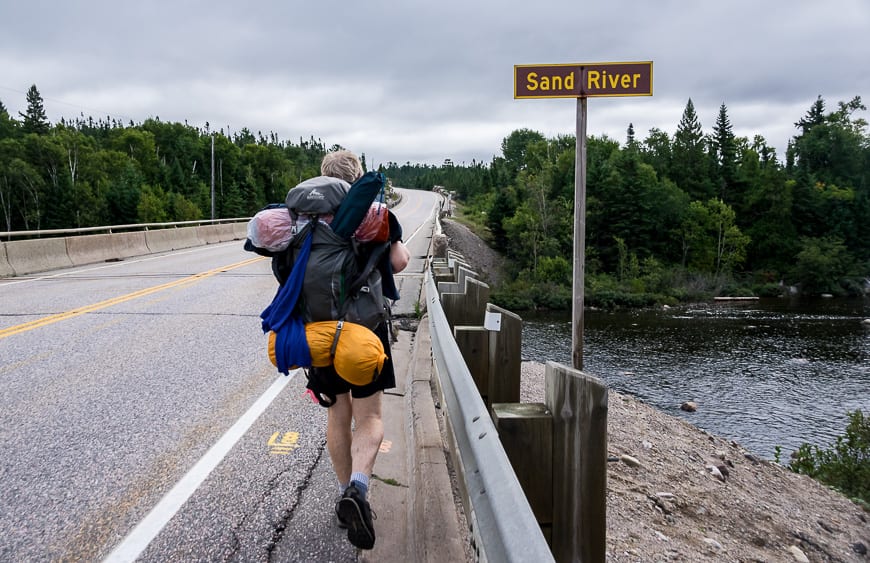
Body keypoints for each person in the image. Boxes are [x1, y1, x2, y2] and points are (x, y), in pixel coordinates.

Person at [306, 150, 409, 550]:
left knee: (338, 414)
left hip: (318, 332)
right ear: (358, 177)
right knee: (369, 416)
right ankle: (359, 490)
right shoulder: (377, 213)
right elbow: (399, 262)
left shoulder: (306, 220)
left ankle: (343, 494)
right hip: (365, 330)